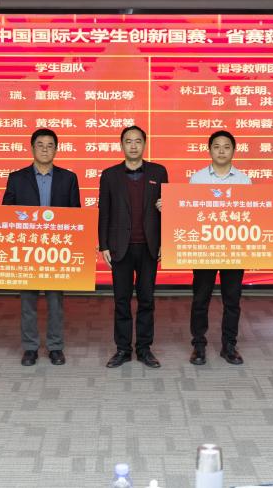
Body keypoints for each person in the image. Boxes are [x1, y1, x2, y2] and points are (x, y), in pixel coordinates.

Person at [3, 128, 81, 366]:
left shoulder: (68, 178)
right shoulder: (17, 178)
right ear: (32, 148)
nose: (45, 150)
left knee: (56, 301)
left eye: (50, 146)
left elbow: (76, 215)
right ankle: (30, 348)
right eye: (40, 145)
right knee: (27, 301)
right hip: (27, 249)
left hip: (56, 249)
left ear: (56, 150)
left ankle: (55, 347)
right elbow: (5, 213)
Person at [99, 126, 169, 369]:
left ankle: (144, 349)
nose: (133, 145)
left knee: (147, 299)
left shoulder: (159, 172)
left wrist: (165, 241)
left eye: (138, 141)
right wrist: (103, 245)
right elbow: (104, 212)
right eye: (128, 141)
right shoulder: (109, 175)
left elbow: (167, 209)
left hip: (149, 246)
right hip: (120, 248)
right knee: (122, 300)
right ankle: (122, 349)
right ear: (121, 145)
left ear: (144, 144)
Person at [188, 130, 252, 366]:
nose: (222, 151)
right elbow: (188, 212)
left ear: (234, 151)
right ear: (209, 150)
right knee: (200, 299)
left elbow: (251, 215)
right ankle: (198, 346)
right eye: (217, 146)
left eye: (226, 147)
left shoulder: (244, 181)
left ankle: (229, 346)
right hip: (204, 248)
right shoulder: (197, 179)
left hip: (233, 249)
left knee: (232, 300)